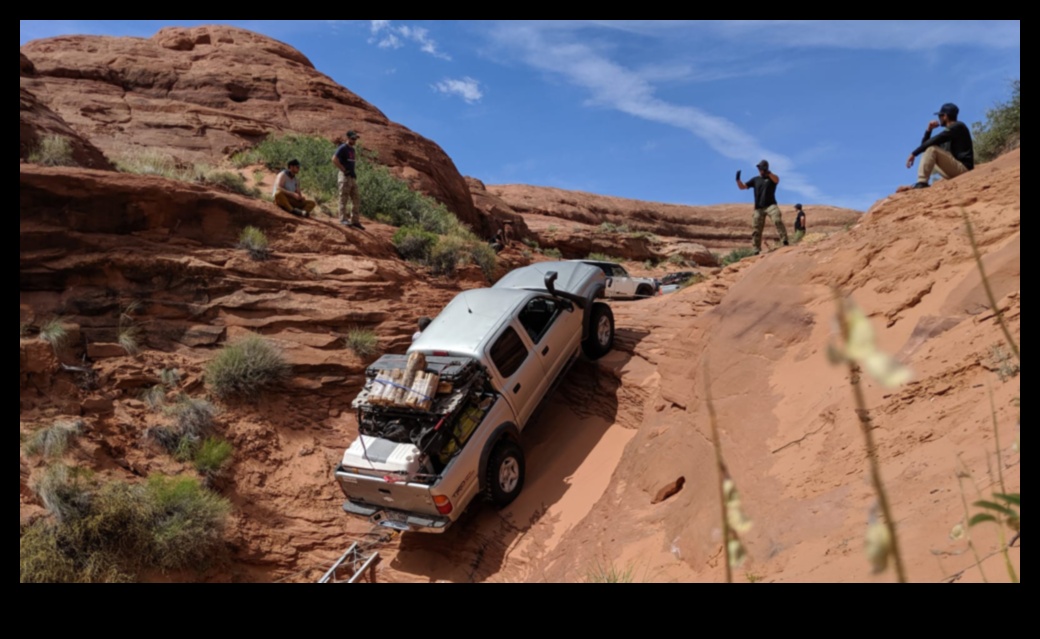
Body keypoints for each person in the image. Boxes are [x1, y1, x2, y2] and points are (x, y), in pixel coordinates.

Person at [906, 103, 975, 189]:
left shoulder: (958, 126)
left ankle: (922, 183)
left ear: (945, 116)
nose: (939, 119)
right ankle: (921, 183)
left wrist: (914, 154)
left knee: (932, 149)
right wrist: (929, 130)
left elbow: (936, 139)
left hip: (963, 169)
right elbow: (925, 147)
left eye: (940, 116)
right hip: (953, 170)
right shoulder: (948, 134)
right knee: (929, 150)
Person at [736, 159, 789, 255]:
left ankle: (784, 240)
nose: (760, 170)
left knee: (777, 220)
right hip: (759, 208)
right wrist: (738, 180)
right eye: (759, 168)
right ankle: (756, 248)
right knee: (756, 228)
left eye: (761, 168)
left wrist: (768, 173)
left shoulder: (771, 178)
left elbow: (777, 180)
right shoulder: (755, 179)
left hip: (771, 205)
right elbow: (742, 187)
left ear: (766, 168)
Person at [332, 130, 363, 229]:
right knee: (343, 198)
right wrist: (343, 170)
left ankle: (355, 221)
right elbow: (334, 159)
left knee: (356, 199)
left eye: (355, 139)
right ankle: (343, 219)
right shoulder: (343, 148)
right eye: (353, 138)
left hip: (352, 177)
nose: (355, 141)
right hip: (345, 176)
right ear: (348, 138)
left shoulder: (352, 150)